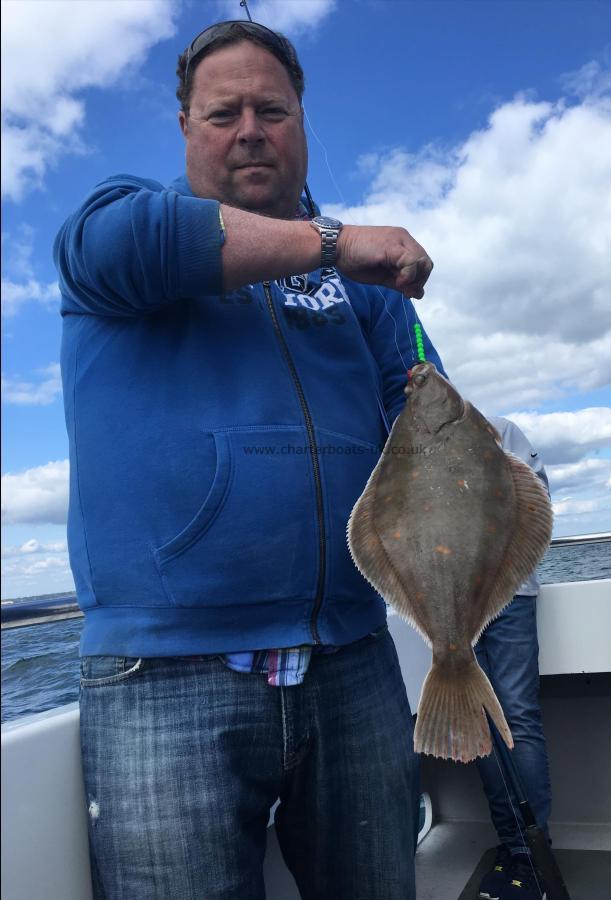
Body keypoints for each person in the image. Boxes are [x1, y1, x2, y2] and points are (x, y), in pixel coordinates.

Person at [53, 20, 442, 900]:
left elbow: (425, 417)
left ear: (302, 120)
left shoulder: (369, 298)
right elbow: (141, 241)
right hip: (165, 675)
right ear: (185, 128)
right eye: (221, 112)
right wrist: (340, 242)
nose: (250, 129)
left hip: (352, 660)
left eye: (272, 108)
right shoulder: (118, 234)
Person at [476, 417, 553, 900]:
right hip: (449, 602)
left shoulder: (498, 427)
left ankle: (533, 848)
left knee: (515, 719)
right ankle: (513, 843)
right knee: (482, 722)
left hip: (507, 595)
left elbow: (535, 498)